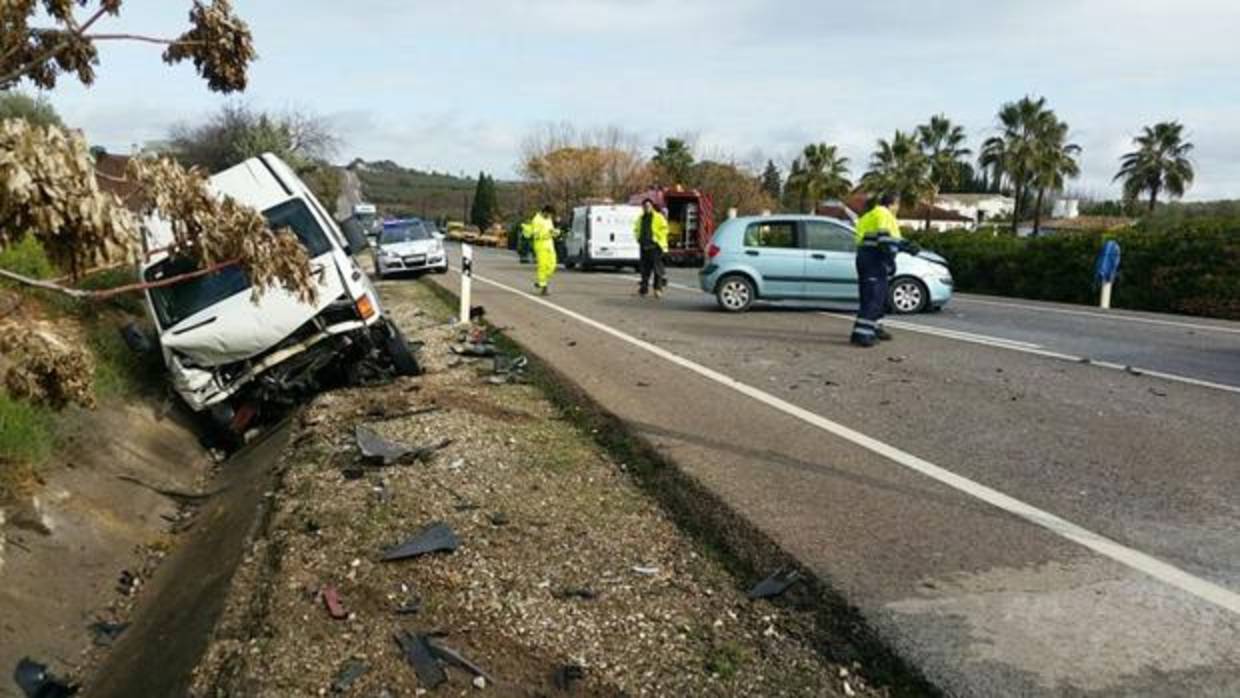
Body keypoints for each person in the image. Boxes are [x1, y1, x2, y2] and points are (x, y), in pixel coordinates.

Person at [850, 193, 903, 347]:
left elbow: (878, 239)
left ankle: (867, 330)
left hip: (865, 257)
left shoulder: (868, 216)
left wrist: (906, 246)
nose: (898, 208)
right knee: (874, 298)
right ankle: (863, 336)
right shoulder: (884, 214)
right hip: (875, 259)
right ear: (893, 203)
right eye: (898, 205)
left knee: (872, 298)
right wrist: (890, 261)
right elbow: (885, 240)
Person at [632, 198, 669, 298]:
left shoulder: (658, 217)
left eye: (648, 206)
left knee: (657, 270)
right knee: (644, 270)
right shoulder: (641, 218)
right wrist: (638, 238)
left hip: (655, 248)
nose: (646, 208)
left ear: (652, 206)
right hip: (644, 247)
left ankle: (658, 289)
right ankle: (643, 290)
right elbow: (636, 229)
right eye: (644, 206)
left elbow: (665, 229)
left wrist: (656, 238)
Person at [522, 205, 559, 295]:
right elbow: (537, 235)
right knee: (542, 266)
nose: (550, 217)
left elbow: (551, 230)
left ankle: (540, 281)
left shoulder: (548, 220)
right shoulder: (536, 220)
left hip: (550, 245)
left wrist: (555, 232)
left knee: (552, 265)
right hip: (541, 245)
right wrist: (549, 234)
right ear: (545, 212)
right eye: (550, 214)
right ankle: (543, 286)